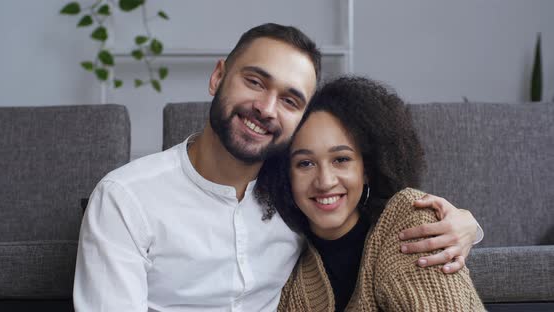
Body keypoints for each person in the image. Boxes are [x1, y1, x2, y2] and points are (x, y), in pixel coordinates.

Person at [73, 24, 482, 311]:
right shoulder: (127, 198)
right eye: (254, 81)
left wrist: (468, 224)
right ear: (219, 76)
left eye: (290, 100)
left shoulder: (293, 201)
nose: (266, 109)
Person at [255, 76, 484, 311]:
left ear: (367, 169)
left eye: (341, 159)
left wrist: (472, 226)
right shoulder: (284, 266)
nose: (325, 181)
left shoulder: (409, 220)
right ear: (285, 175)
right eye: (305, 163)